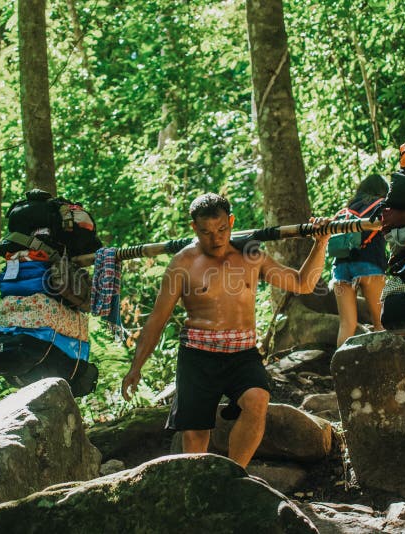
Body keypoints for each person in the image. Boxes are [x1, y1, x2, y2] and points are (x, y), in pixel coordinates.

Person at [121, 193, 330, 468]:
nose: (215, 238)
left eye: (222, 229)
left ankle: (234, 476)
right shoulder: (182, 264)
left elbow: (303, 283)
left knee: (257, 399)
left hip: (241, 353)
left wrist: (321, 242)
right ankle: (194, 486)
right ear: (194, 228)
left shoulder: (251, 255)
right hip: (197, 355)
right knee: (195, 433)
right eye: (206, 232)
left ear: (231, 222)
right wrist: (136, 367)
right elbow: (157, 320)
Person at [331, 173, 390, 347]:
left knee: (347, 324)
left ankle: (339, 369)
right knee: (380, 322)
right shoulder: (381, 206)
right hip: (369, 265)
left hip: (340, 269)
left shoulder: (347, 210)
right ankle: (384, 366)